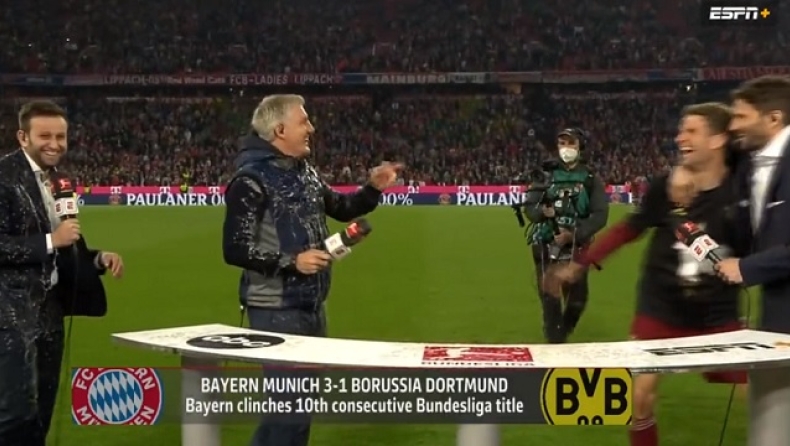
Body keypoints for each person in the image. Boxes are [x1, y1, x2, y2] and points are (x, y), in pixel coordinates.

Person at [547, 103, 744, 446]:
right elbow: (630, 227)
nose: (679, 137)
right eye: (680, 130)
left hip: (717, 310)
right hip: (661, 304)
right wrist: (580, 264)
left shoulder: (742, 188)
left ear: (717, 140)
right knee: (640, 397)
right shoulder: (665, 187)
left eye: (691, 131)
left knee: (754, 389)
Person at [221, 94, 401, 446]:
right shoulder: (250, 180)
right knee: (289, 414)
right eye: (303, 121)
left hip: (312, 306)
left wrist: (373, 188)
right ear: (280, 130)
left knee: (295, 413)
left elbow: (342, 208)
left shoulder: (305, 172)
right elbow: (235, 248)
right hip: (275, 309)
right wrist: (293, 261)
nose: (311, 128)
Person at [668, 77, 790, 446]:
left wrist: (747, 268)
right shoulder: (752, 157)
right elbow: (709, 152)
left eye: (741, 116)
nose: (733, 125)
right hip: (776, 316)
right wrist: (684, 169)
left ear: (773, 118)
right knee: (771, 426)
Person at [0, 100, 124, 446]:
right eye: (45, 136)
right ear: (23, 137)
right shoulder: (4, 176)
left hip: (50, 312)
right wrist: (50, 240)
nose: (55, 144)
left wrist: (96, 259)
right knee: (14, 414)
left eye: (61, 136)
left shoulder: (57, 182)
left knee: (42, 411)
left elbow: (65, 244)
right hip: (10, 313)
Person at [523, 128, 608, 343]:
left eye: (571, 143)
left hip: (576, 246)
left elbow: (600, 215)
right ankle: (555, 338)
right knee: (550, 296)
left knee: (578, 300)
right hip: (545, 243)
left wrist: (575, 234)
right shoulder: (546, 174)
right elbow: (530, 207)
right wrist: (542, 212)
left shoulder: (590, 179)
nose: (566, 148)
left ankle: (564, 330)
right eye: (562, 143)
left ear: (580, 147)